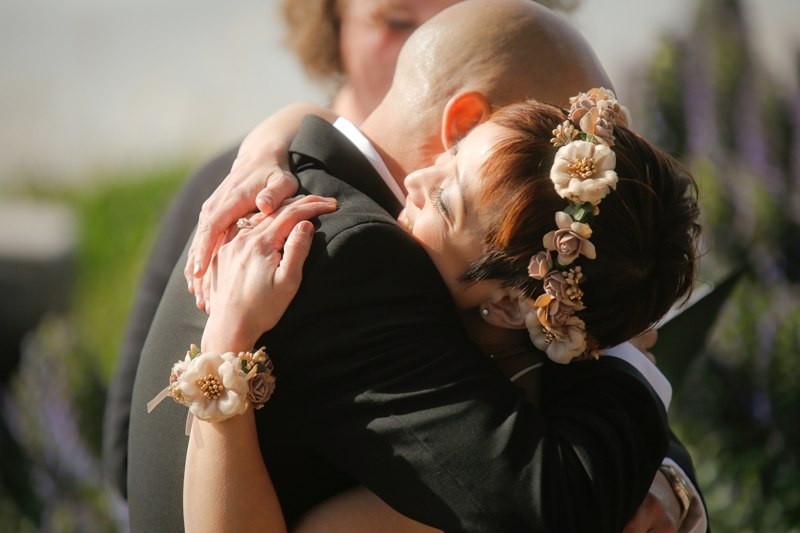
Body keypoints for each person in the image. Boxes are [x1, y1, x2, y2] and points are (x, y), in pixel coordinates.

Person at [127, 1, 707, 531]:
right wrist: (626, 348)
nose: (580, 195)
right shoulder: (346, 251)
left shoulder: (364, 212)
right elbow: (540, 503)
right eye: (551, 129)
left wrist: (665, 472)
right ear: (470, 124)